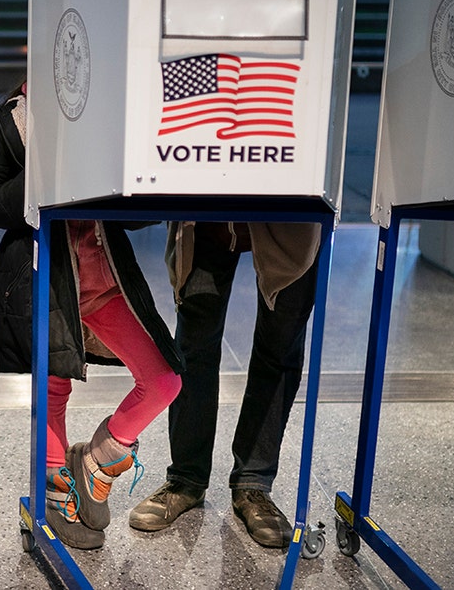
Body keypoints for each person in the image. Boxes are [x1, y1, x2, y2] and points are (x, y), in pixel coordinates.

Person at [0, 81, 184, 549]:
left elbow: (140, 212)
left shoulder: (112, 106)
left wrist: (125, 172)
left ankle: (98, 462)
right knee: (53, 391)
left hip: (106, 282)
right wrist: (47, 171)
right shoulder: (11, 120)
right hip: (44, 281)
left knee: (165, 380)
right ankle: (55, 496)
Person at [128, 221, 320, 548]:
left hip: (292, 209)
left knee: (281, 345)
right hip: (210, 203)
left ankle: (253, 484)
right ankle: (185, 479)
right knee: (194, 343)